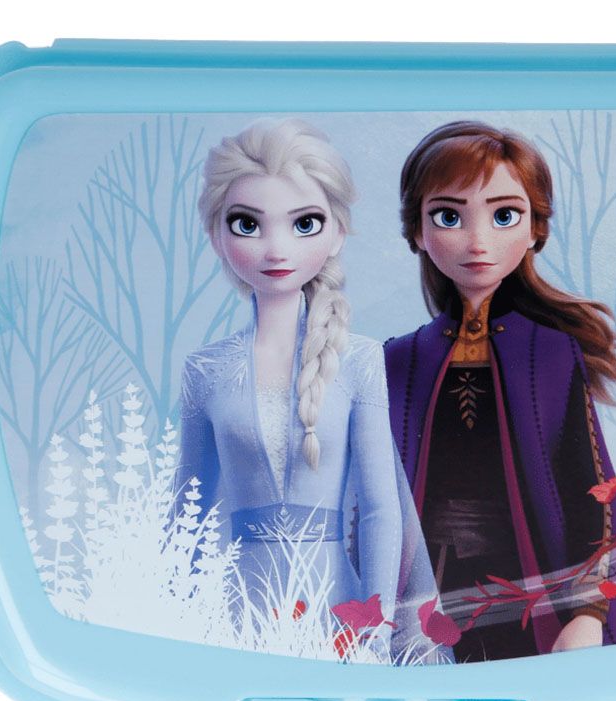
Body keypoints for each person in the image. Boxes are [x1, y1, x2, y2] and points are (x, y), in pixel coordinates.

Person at [384, 120, 616, 662]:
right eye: (449, 216)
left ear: (535, 229)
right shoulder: (398, 360)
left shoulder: (550, 353)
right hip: (427, 589)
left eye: (504, 216)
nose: (478, 241)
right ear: (417, 231)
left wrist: (587, 612)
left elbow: (590, 486)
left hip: (526, 581)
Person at [178, 118, 446, 663]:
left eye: (304, 223)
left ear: (337, 233)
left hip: (337, 605)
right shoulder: (205, 371)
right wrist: (176, 610)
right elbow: (187, 508)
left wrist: (376, 624)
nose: (277, 248)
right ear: (216, 235)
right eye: (247, 224)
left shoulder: (358, 361)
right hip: (236, 607)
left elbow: (380, 509)